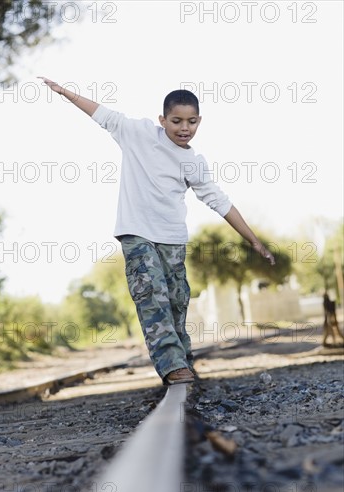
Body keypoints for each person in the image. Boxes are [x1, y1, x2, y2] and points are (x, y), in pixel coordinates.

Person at [37, 77, 275, 385]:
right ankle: (172, 365)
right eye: (176, 120)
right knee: (152, 295)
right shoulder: (138, 134)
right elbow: (103, 115)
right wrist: (66, 93)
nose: (183, 127)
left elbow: (220, 202)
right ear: (162, 120)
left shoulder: (193, 163)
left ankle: (183, 359)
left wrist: (254, 240)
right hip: (136, 232)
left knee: (177, 302)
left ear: (199, 121)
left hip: (173, 240)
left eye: (191, 121)